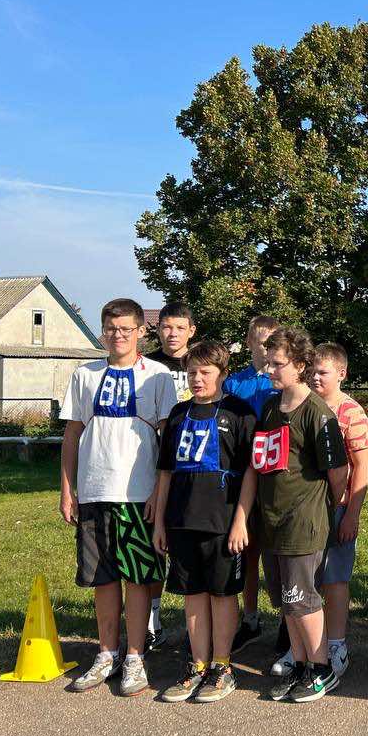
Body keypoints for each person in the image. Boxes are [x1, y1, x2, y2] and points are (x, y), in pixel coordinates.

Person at [60, 298, 178, 697]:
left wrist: (159, 493)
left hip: (139, 495)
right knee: (103, 578)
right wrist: (67, 489)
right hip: (94, 492)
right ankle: (106, 653)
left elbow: (168, 441)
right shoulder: (84, 375)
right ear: (102, 332)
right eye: (111, 329)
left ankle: (135, 656)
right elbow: (72, 436)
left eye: (126, 329)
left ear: (141, 331)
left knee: (139, 578)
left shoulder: (158, 376)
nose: (118, 336)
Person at [237, 327, 350, 703]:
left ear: (300, 365)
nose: (269, 369)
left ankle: (321, 669)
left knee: (303, 598)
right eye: (268, 362)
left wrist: (326, 508)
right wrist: (245, 515)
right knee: (287, 599)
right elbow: (257, 464)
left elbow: (338, 472)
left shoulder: (317, 414)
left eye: (277, 363)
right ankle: (300, 665)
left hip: (304, 522)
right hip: (272, 520)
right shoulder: (271, 407)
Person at [152, 340, 255, 702]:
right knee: (193, 594)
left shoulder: (240, 413)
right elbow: (166, 472)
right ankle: (198, 664)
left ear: (222, 374)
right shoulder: (178, 414)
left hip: (222, 522)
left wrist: (241, 520)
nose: (197, 379)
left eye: (205, 372)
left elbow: (251, 472)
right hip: (182, 520)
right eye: (192, 372)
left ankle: (223, 666)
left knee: (222, 593)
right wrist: (160, 522)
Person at [309, 343, 368, 680]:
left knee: (334, 579)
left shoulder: (351, 412)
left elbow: (361, 467)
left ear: (342, 374)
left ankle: (336, 644)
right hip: (305, 508)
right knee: (305, 578)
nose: (315, 377)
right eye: (312, 371)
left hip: (339, 508)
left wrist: (352, 514)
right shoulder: (304, 405)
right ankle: (303, 644)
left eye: (323, 372)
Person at [223, 314, 281, 656]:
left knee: (280, 550)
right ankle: (250, 617)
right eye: (261, 343)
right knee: (246, 551)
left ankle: (288, 619)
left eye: (272, 343)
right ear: (248, 343)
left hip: (276, 476)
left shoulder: (283, 381)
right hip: (242, 472)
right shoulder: (235, 384)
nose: (266, 349)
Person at [143, 300, 198, 649]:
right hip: (155, 465)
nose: (172, 333)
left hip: (195, 468)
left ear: (192, 330)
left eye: (180, 327)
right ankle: (153, 620)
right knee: (154, 545)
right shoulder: (147, 366)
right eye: (166, 327)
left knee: (192, 546)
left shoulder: (202, 364)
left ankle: (202, 625)